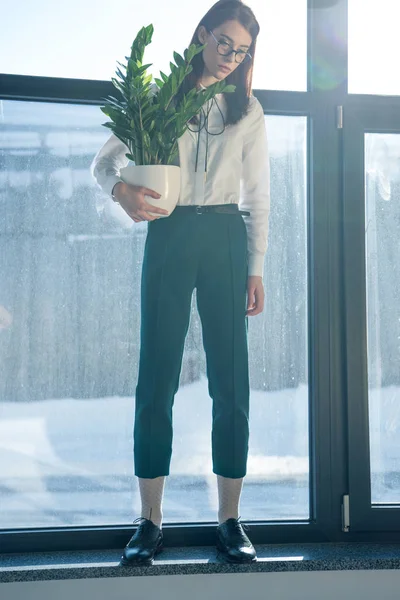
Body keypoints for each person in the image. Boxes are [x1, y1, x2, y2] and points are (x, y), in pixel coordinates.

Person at [91, 0, 270, 566]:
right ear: (201, 34)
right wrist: (120, 192)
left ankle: (230, 518)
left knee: (231, 381)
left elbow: (258, 194)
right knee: (157, 375)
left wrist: (255, 266)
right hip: (168, 237)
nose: (230, 58)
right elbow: (104, 165)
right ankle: (149, 520)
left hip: (224, 239)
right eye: (224, 43)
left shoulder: (248, 110)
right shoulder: (158, 102)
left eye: (241, 51)